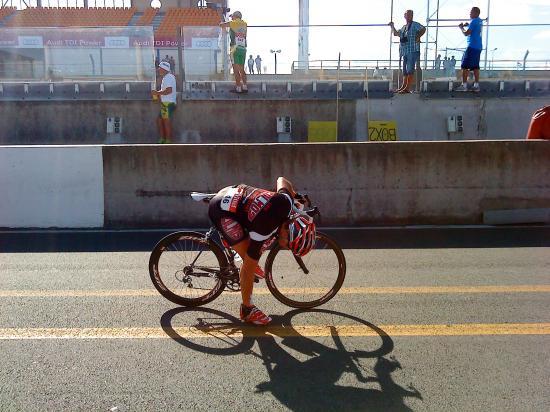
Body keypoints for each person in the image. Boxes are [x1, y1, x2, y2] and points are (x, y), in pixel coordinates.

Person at [208, 177, 316, 325]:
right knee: (248, 264)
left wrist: (294, 195)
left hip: (236, 194)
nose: (286, 246)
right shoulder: (263, 229)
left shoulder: (285, 202)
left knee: (250, 259)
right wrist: (249, 265)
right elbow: (247, 270)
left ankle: (236, 249)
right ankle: (247, 311)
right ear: (286, 229)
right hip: (222, 211)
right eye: (288, 243)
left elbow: (282, 180)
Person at [389, 10, 426, 93]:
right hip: (404, 51)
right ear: (405, 16)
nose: (410, 16)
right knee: (405, 70)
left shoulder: (415, 24)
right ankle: (404, 86)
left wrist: (418, 37)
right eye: (408, 15)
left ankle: (407, 88)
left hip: (412, 50)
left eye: (411, 15)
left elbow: (423, 29)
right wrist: (392, 26)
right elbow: (396, 34)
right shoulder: (404, 27)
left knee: (410, 69)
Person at [455, 7, 483, 92]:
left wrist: (461, 28)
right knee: (475, 66)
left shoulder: (474, 21)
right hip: (478, 46)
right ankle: (476, 85)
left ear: (476, 13)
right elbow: (474, 28)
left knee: (464, 66)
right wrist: (468, 25)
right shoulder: (479, 21)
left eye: (471, 12)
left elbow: (466, 33)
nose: (470, 14)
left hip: (472, 46)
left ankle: (464, 85)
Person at [220, 11, 248, 93]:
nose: (231, 18)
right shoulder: (244, 24)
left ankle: (238, 87)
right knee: (242, 69)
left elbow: (222, 25)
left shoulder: (233, 22)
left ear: (235, 16)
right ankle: (245, 86)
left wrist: (223, 21)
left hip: (234, 49)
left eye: (232, 16)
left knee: (235, 69)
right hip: (243, 48)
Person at [151, 61, 177, 144]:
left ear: (164, 69)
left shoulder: (168, 77)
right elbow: (165, 90)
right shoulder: (167, 77)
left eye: (160, 68)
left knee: (165, 121)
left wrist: (157, 93)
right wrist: (158, 93)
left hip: (168, 104)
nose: (158, 70)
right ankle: (163, 138)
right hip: (165, 104)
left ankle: (167, 140)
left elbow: (169, 90)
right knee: (160, 120)